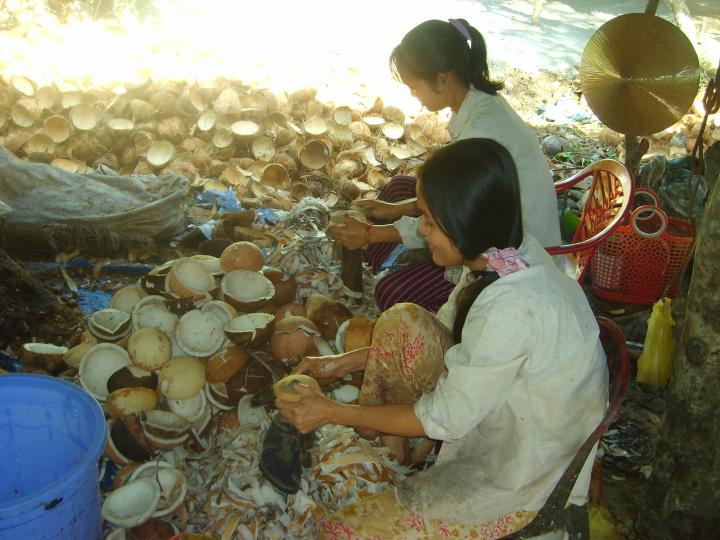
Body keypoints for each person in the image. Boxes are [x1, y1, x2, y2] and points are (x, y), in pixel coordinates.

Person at [277, 138, 607, 539]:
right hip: (511, 419)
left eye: (430, 221)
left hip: (527, 477)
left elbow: (442, 419)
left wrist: (330, 410)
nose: (420, 230)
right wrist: (337, 364)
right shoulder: (506, 255)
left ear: (464, 224)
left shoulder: (512, 308)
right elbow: (439, 329)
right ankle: (394, 446)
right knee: (401, 322)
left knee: (340, 531)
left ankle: (403, 453)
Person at [329, 18, 561, 313]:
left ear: (442, 78)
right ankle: (383, 259)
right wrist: (395, 209)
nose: (414, 96)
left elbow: (456, 222)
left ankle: (388, 265)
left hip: (509, 253)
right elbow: (450, 201)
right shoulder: (480, 101)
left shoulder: (482, 131)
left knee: (391, 292)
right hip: (488, 218)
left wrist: (373, 233)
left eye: (414, 87)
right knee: (400, 188)